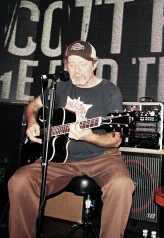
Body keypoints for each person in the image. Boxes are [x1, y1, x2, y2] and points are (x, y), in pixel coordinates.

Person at [8, 40, 135, 238]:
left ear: (94, 64)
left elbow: (115, 139)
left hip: (100, 158)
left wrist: (90, 137)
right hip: (60, 159)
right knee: (20, 180)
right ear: (65, 64)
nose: (76, 71)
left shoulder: (109, 91)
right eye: (72, 64)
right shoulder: (60, 87)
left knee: (122, 184)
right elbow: (33, 105)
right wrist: (32, 122)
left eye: (83, 64)